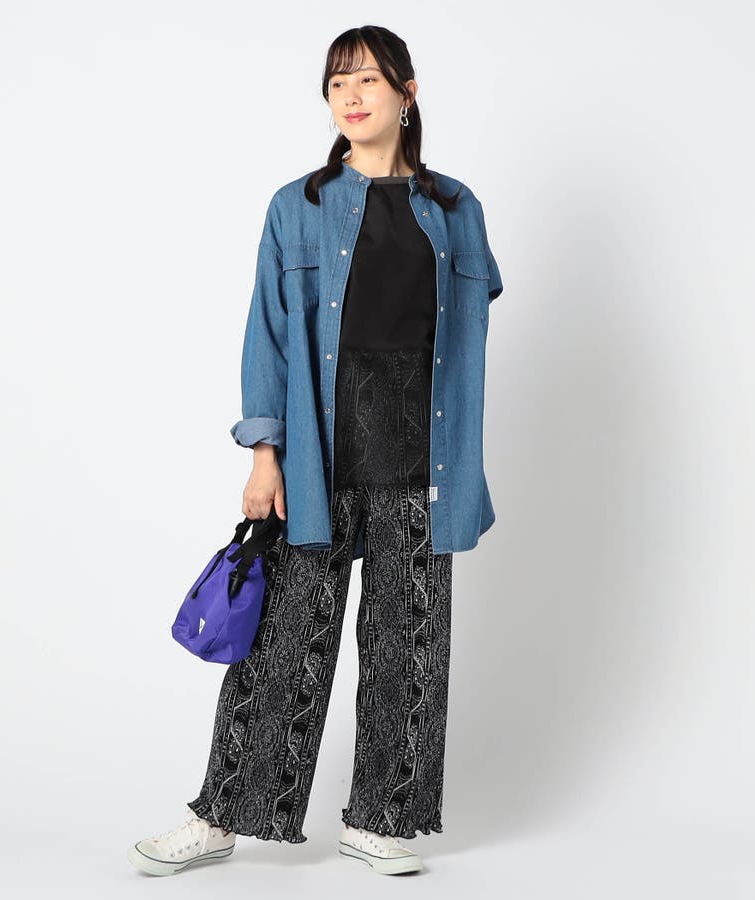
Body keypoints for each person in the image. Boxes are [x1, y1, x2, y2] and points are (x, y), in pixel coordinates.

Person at [128, 24, 504, 878]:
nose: (351, 96)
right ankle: (223, 814)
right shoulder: (295, 206)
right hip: (319, 456)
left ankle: (381, 818)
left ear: (407, 93)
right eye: (337, 83)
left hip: (425, 459)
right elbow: (267, 331)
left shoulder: (457, 209)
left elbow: (470, 323)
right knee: (283, 640)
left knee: (410, 646)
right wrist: (265, 452)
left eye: (367, 78)